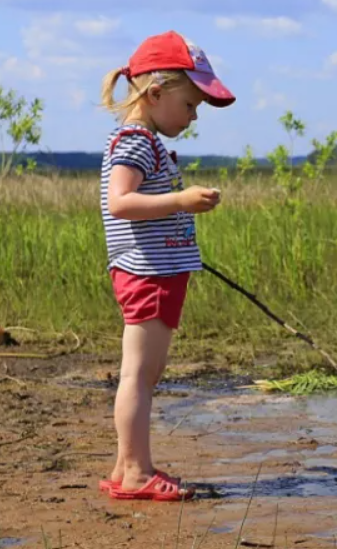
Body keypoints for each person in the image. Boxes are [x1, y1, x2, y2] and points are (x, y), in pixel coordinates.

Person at [96, 30, 236, 502]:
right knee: (139, 373)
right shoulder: (136, 142)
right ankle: (135, 472)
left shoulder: (146, 141)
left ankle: (124, 467)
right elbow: (120, 202)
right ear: (155, 94)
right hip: (147, 273)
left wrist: (177, 205)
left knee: (145, 372)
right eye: (191, 105)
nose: (194, 117)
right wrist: (181, 199)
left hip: (157, 271)